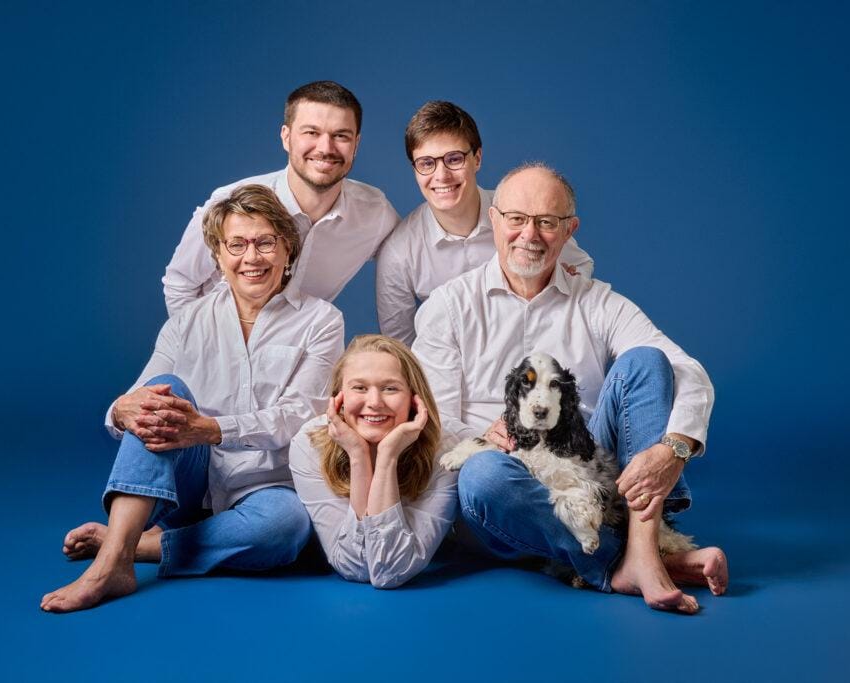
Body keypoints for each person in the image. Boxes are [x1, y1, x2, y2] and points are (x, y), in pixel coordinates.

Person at [411, 163, 728, 614]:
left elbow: (687, 370)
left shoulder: (598, 302)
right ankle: (638, 560)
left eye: (546, 221)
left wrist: (675, 448)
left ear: (569, 230)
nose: (529, 234)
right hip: (508, 487)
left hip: (588, 471)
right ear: (493, 221)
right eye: (516, 219)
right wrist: (483, 438)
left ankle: (640, 547)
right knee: (481, 477)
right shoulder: (449, 306)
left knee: (646, 360)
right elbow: (433, 422)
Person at [41, 185, 345, 613]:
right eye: (236, 245)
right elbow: (139, 394)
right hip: (187, 482)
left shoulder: (322, 321)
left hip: (266, 482)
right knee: (159, 392)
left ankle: (132, 546)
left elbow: (300, 415)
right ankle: (109, 567)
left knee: (287, 526)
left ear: (287, 250)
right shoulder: (188, 321)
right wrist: (120, 410)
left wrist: (211, 429)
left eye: (265, 242)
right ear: (218, 256)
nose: (251, 257)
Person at [163, 80, 399, 316]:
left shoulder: (375, 213)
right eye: (311, 132)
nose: (326, 148)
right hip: (216, 333)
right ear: (286, 137)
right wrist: (198, 338)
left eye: (341, 136)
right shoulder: (230, 203)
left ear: (356, 143)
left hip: (304, 339)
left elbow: (408, 254)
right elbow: (180, 285)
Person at [375, 101, 594, 346]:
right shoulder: (398, 253)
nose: (442, 176)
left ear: (477, 158)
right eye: (426, 163)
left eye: (454, 159)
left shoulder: (521, 214)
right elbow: (401, 351)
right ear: (415, 169)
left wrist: (564, 285)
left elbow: (580, 267)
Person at [289, 335, 458, 589]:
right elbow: (354, 566)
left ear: (414, 399)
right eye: (359, 388)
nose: (375, 403)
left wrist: (388, 457)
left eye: (390, 388)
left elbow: (390, 571)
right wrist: (358, 456)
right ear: (339, 398)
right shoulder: (308, 445)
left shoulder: (447, 449)